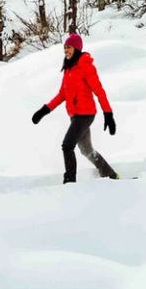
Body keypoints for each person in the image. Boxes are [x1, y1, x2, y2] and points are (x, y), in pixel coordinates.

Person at [31, 33, 120, 183]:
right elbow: (62, 94)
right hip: (75, 115)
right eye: (65, 47)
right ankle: (110, 174)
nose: (66, 50)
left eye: (69, 47)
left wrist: (108, 114)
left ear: (77, 48)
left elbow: (99, 90)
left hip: (85, 114)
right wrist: (44, 110)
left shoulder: (85, 66)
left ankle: (70, 181)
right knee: (86, 150)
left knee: (67, 146)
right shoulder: (68, 68)